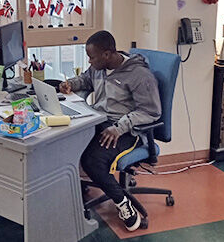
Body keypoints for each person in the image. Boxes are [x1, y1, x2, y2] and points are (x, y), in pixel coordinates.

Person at [59, 30, 161, 231]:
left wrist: (119, 127)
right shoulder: (99, 68)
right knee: (66, 142)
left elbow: (151, 111)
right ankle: (80, 185)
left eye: (92, 57)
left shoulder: (139, 75)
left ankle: (124, 203)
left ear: (107, 54)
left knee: (92, 160)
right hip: (100, 121)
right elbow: (86, 79)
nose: (90, 62)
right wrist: (70, 83)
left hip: (127, 131)